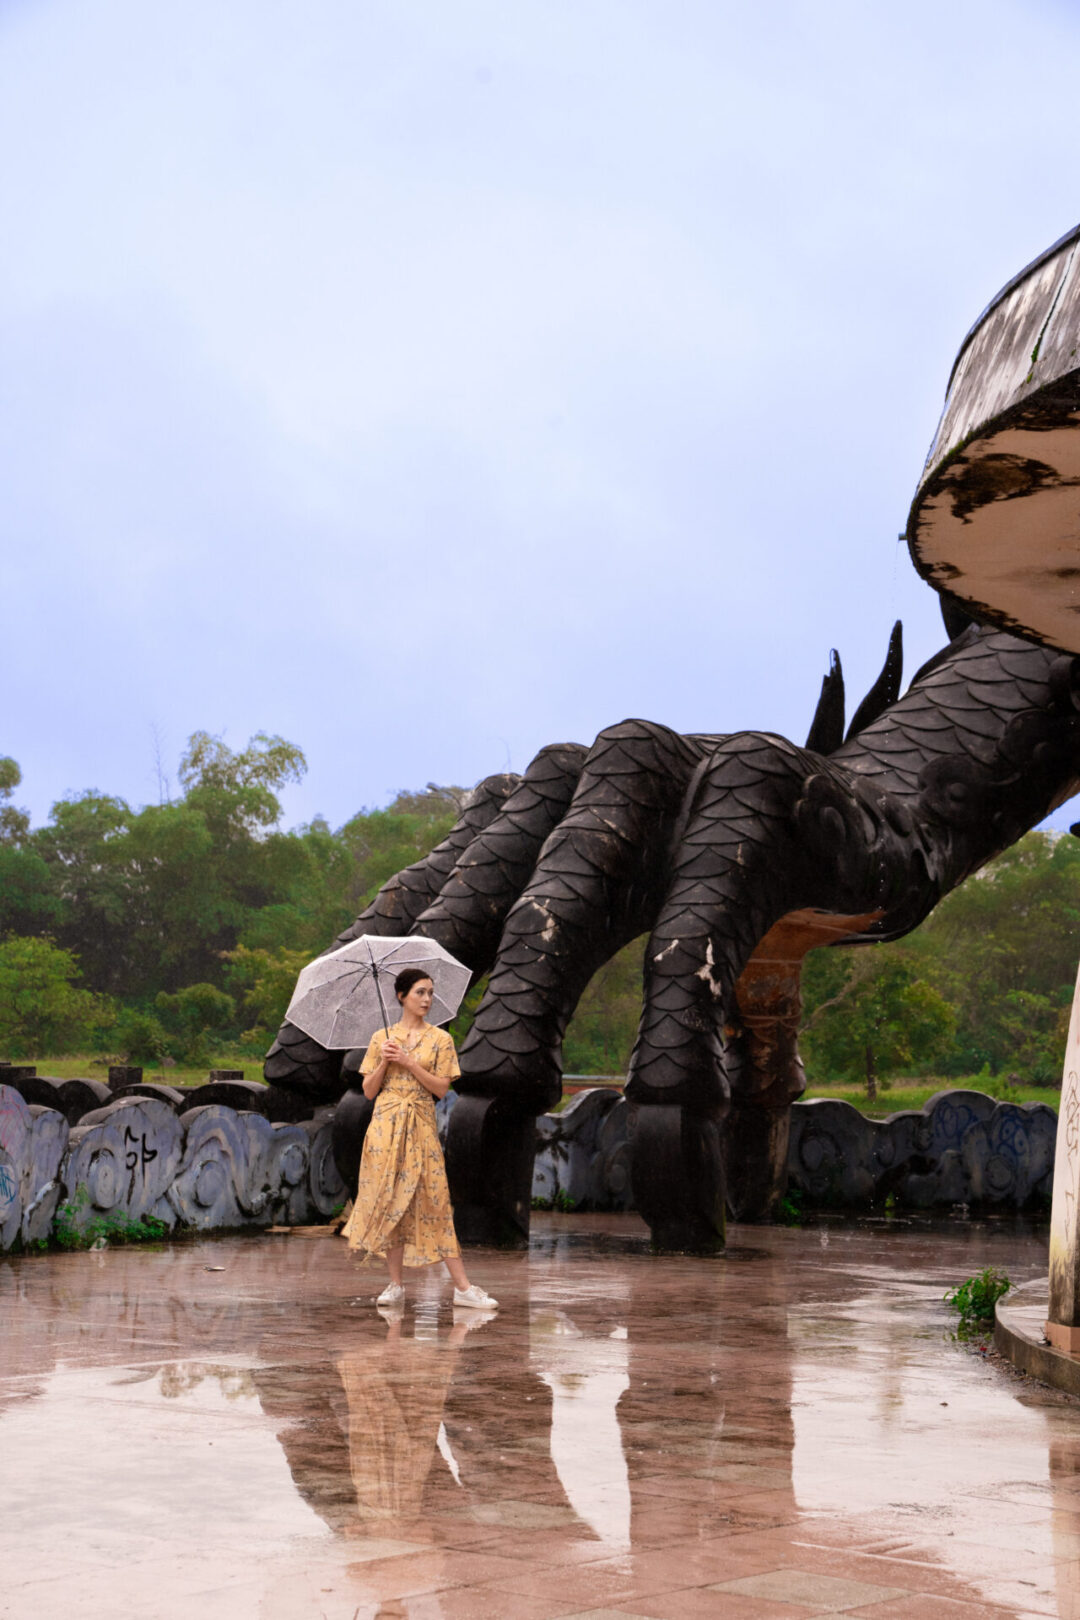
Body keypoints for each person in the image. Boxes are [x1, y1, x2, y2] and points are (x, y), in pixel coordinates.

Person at [341, 966, 497, 1310]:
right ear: (402, 996)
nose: (427, 999)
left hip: (421, 1125)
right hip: (385, 1126)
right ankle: (395, 1285)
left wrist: (410, 1062)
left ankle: (463, 1287)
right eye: (420, 993)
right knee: (391, 1199)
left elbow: (442, 1088)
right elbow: (367, 1091)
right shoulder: (382, 1038)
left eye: (429, 993)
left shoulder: (441, 1040)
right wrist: (385, 1060)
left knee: (435, 1200)